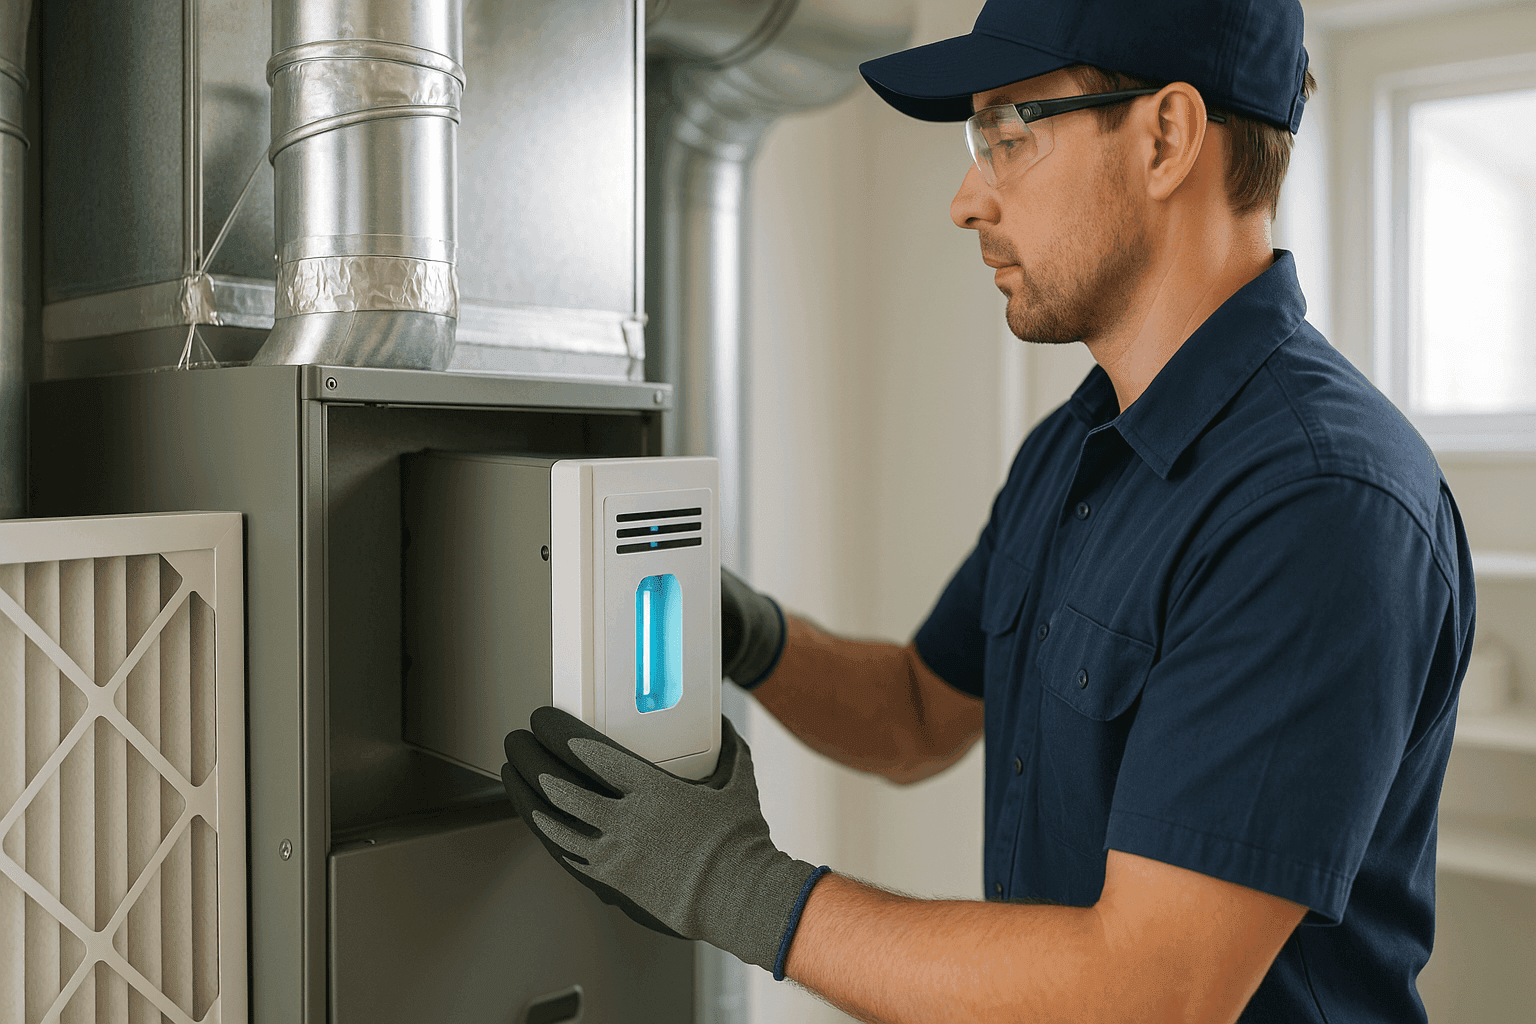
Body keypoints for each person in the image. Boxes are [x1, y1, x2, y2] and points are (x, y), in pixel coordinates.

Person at [500, 0, 1475, 1019]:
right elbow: (920, 711)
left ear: (1165, 137)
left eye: (1010, 135)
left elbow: (1153, 991)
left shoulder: (1316, 503)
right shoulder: (1078, 449)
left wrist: (735, 884)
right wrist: (742, 631)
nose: (968, 198)